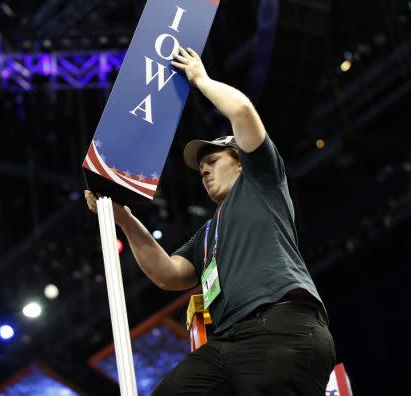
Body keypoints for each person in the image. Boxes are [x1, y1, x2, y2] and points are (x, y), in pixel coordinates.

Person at [84, 46, 335, 395]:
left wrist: (200, 79)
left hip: (281, 326)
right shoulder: (207, 235)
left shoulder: (261, 180)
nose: (203, 169)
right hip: (228, 342)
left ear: (240, 160)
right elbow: (168, 274)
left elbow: (243, 110)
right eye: (201, 167)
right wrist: (122, 218)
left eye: (213, 159)